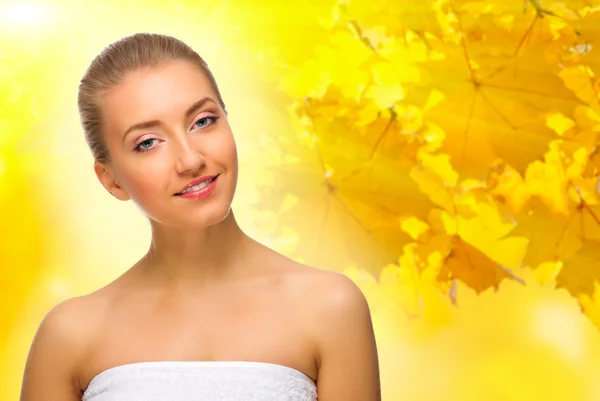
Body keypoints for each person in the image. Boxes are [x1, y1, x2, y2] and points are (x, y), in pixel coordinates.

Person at [19, 33, 381, 401]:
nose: (191, 160)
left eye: (203, 121)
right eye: (147, 142)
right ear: (111, 179)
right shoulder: (69, 336)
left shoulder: (330, 308)